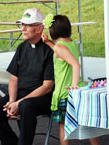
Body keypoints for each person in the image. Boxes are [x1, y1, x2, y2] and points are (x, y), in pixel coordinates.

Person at [0, 8, 55, 145]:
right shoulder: (22, 47)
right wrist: (12, 101)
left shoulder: (50, 50)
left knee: (25, 106)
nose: (22, 28)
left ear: (39, 28)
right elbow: (13, 79)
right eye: (21, 24)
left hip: (42, 98)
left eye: (27, 25)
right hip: (20, 96)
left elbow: (47, 87)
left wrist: (19, 102)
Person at [41, 14, 99, 145]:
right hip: (79, 90)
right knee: (87, 123)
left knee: (63, 125)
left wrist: (73, 85)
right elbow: (61, 52)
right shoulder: (71, 43)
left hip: (66, 92)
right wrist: (48, 43)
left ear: (52, 31)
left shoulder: (59, 47)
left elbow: (75, 64)